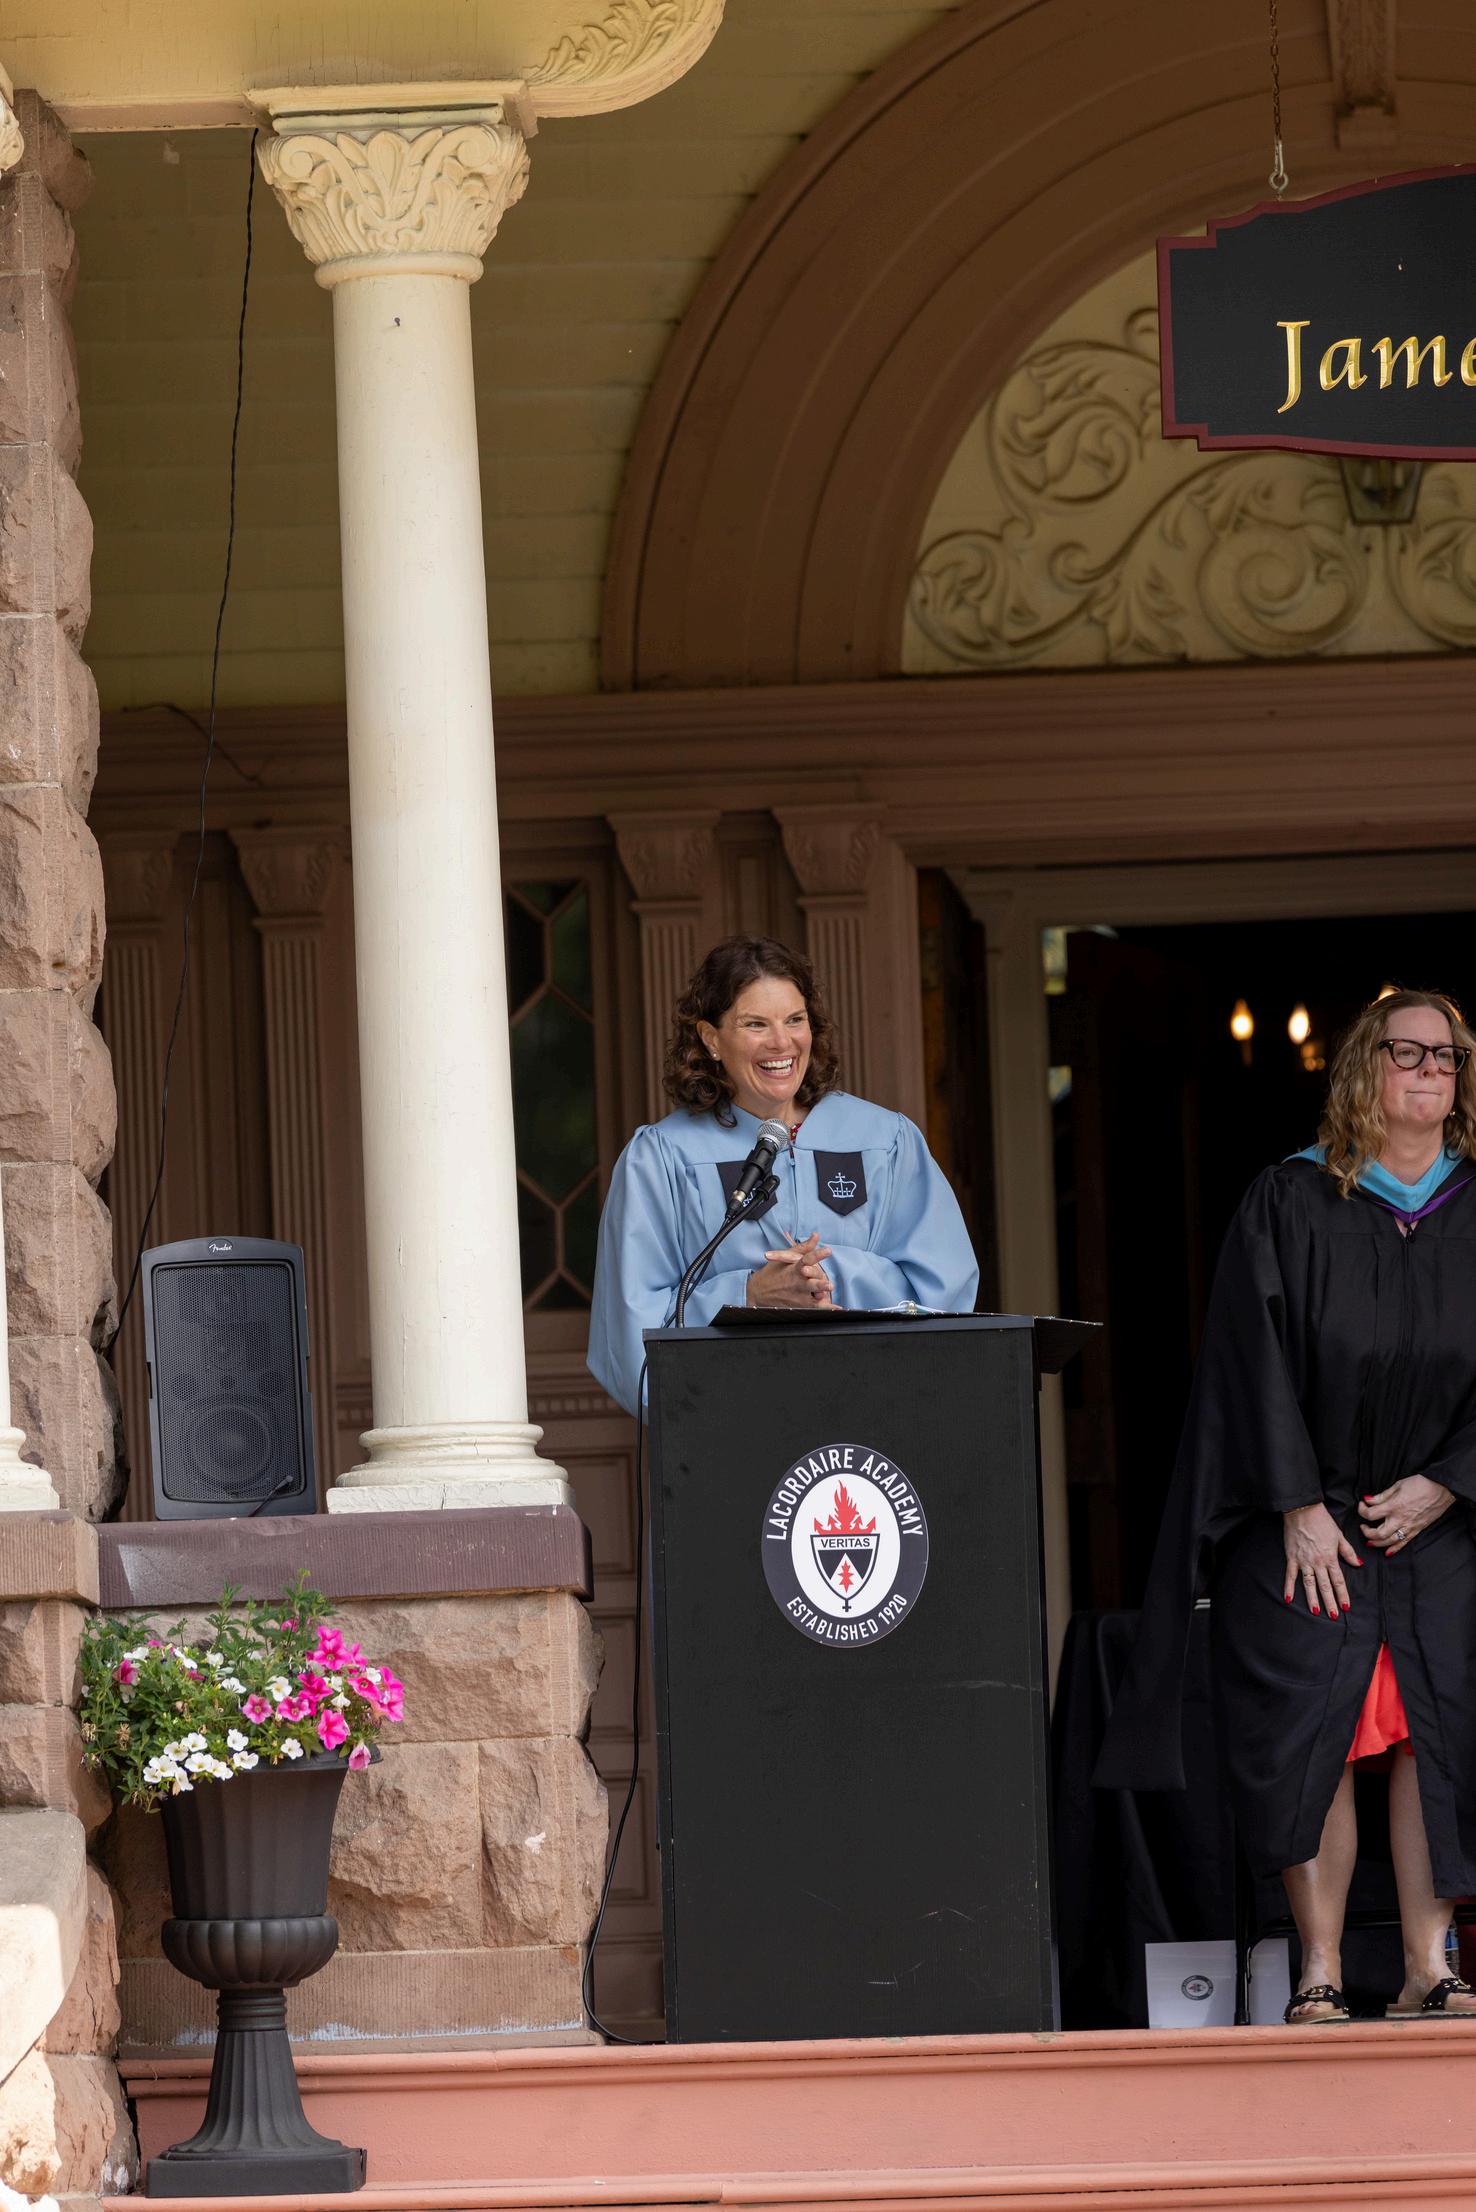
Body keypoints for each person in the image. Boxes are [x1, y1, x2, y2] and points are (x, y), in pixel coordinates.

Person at [1096, 988, 1476, 2023]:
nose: (1431, 1070)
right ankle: (1318, 1968)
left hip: (1440, 1519)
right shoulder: (1291, 1200)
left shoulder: (1474, 1207)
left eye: (1447, 1056)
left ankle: (1429, 1964)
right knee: (1316, 1715)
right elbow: (1244, 1363)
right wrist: (1297, 1502)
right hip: (1308, 1523)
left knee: (1437, 1725)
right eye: (1408, 1052)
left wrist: (1448, 1481)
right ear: (1363, 1069)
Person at [588, 935, 978, 1416]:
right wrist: (749, 1295)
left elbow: (945, 1298)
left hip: (873, 1415)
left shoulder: (885, 1140)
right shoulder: (663, 1158)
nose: (781, 1042)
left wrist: (826, 1277)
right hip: (734, 1422)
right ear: (711, 1039)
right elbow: (632, 1341)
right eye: (755, 1024)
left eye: (795, 1020)